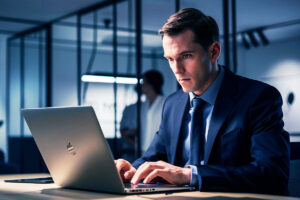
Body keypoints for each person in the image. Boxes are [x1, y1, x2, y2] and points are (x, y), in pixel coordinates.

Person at [115, 8, 290, 195]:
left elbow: (273, 174)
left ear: (214, 52)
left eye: (186, 56)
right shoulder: (173, 104)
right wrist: (132, 171)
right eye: (170, 59)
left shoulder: (259, 98)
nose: (177, 69)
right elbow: (154, 157)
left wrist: (191, 175)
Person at [120, 70, 166, 156]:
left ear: (150, 84)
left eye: (143, 82)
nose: (141, 85)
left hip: (160, 153)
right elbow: (142, 127)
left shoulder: (165, 102)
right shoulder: (143, 106)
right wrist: (137, 145)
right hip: (142, 153)